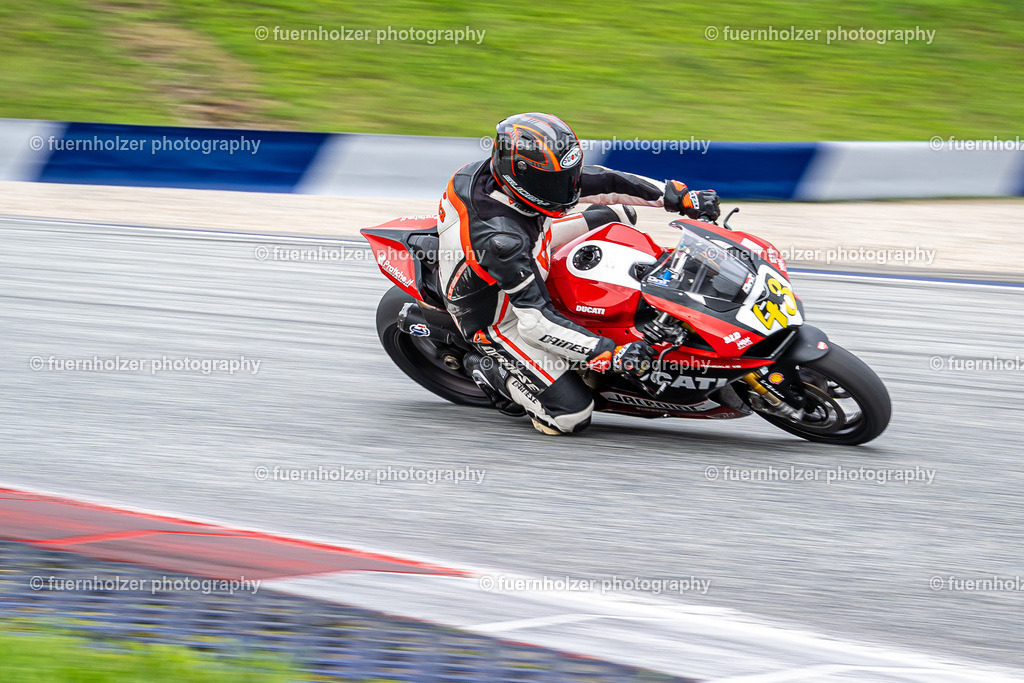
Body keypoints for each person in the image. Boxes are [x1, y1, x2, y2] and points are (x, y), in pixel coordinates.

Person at [435, 112, 720, 435]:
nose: (567, 189)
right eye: (553, 182)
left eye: (567, 175)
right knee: (570, 416)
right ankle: (488, 371)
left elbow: (606, 182)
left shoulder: (503, 175)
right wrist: (609, 352)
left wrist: (677, 196)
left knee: (619, 215)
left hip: (533, 245)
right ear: (520, 176)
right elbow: (535, 322)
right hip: (499, 315)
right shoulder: (502, 239)